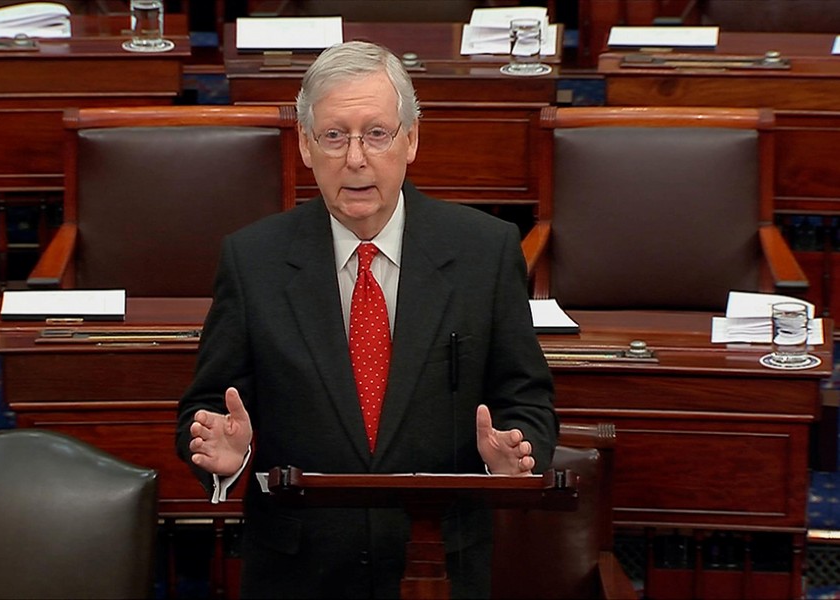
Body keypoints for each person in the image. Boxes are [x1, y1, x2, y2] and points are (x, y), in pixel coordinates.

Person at [176, 40, 558, 599]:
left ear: (411, 139)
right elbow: (207, 406)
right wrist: (228, 457)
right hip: (298, 571)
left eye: (376, 133)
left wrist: (516, 452)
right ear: (306, 145)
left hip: (439, 567)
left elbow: (526, 395)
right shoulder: (252, 259)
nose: (355, 158)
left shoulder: (486, 250)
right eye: (334, 135)